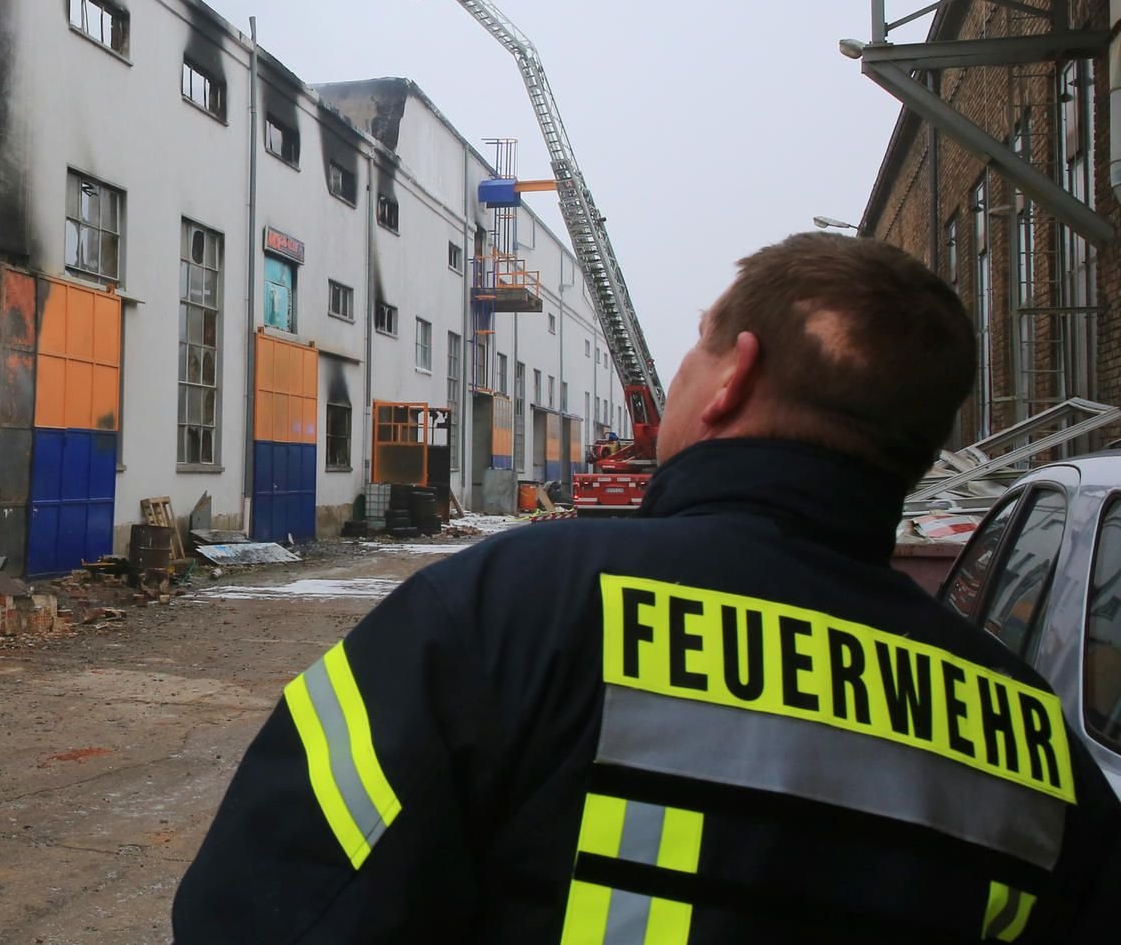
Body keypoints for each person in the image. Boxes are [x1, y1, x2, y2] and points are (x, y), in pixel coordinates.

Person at [173, 233, 1121, 944]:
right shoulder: (1040, 749)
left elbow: (261, 908)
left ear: (731, 377)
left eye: (696, 348)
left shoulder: (510, 611)